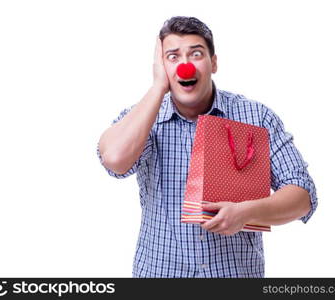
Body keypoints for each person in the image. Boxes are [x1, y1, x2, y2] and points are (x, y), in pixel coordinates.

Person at [97, 16, 318, 278]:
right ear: (161, 67)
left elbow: (303, 195)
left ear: (213, 63)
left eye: (196, 54)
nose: (185, 67)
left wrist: (246, 213)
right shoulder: (145, 119)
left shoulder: (256, 117)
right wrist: (158, 86)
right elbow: (113, 159)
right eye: (173, 57)